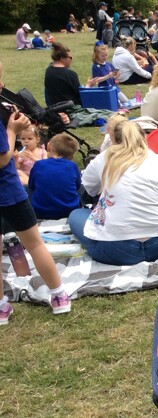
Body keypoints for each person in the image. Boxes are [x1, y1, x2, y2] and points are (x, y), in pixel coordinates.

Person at [0, 62, 71, 323]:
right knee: (35, 243)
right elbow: (3, 158)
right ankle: (58, 294)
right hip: (8, 192)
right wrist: (12, 131)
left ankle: (1, 307)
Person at [68, 122, 158, 265]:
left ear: (113, 140)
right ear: (145, 138)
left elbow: (90, 188)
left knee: (76, 215)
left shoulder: (103, 159)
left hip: (115, 250)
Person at [29, 133, 82, 220]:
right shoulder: (72, 166)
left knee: (26, 188)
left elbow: (31, 185)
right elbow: (78, 186)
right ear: (71, 156)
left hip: (41, 211)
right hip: (69, 211)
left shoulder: (39, 164)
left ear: (48, 147)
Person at [44, 42, 98, 107]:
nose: (71, 60)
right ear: (62, 58)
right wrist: (88, 85)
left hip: (54, 108)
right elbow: (80, 96)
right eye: (70, 58)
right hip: (71, 109)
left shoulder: (49, 70)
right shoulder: (70, 74)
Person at [91, 43, 133, 109]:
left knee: (126, 102)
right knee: (116, 105)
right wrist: (107, 76)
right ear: (97, 55)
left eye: (106, 55)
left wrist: (116, 76)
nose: (105, 57)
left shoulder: (108, 64)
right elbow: (96, 80)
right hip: (105, 90)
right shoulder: (95, 66)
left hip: (115, 88)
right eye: (102, 56)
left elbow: (113, 77)